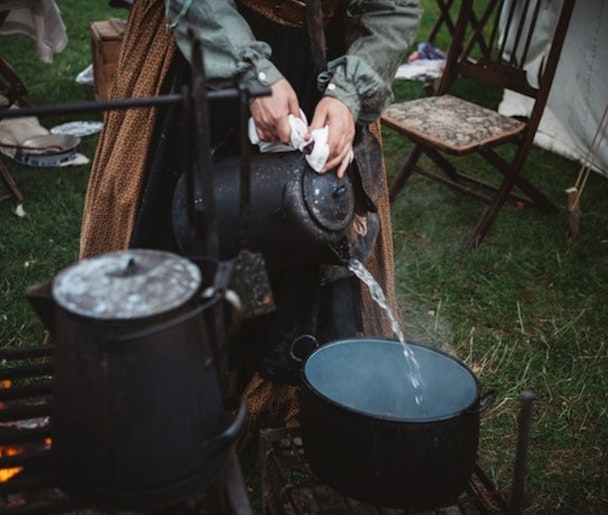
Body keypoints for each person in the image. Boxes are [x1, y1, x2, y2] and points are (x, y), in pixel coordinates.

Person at [80, 0, 422, 438]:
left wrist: (347, 95)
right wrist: (253, 74)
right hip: (212, 43)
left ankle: (270, 379)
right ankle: (167, 387)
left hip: (324, 69)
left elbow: (393, 7)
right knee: (193, 226)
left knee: (296, 225)